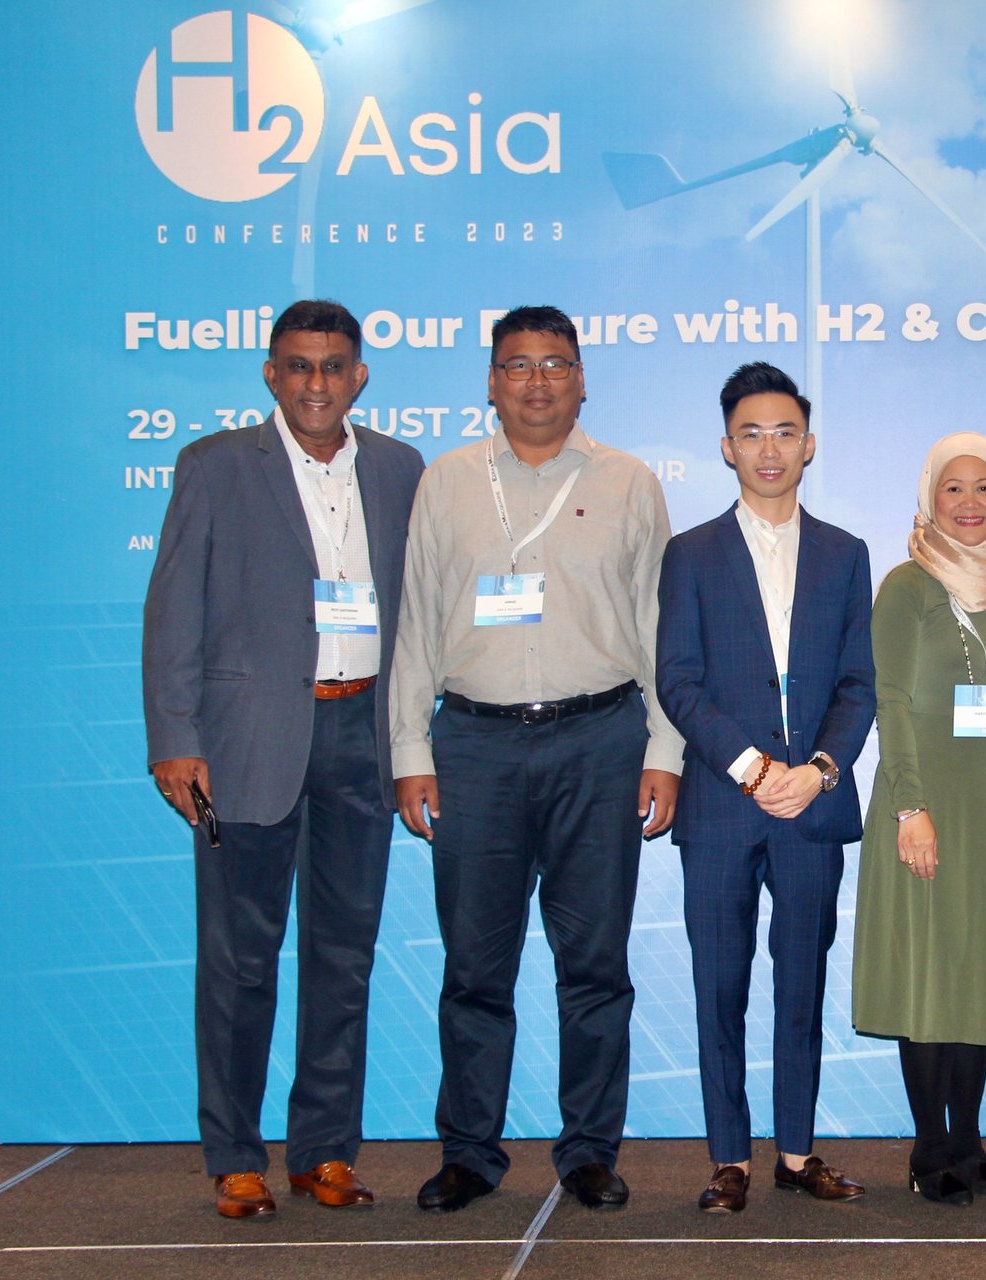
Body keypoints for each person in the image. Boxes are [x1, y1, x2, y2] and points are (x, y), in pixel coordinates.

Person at [390, 305, 684, 1213]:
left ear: (582, 378)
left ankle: (589, 1148)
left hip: (600, 740)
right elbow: (412, 622)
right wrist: (410, 747)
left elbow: (661, 628)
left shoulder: (630, 482)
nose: (537, 382)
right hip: (473, 743)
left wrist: (666, 748)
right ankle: (470, 1152)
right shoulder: (445, 482)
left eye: (556, 364)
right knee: (475, 967)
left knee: (593, 963)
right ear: (490, 380)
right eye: (518, 365)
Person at [143, 299, 425, 1219]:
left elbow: (420, 613)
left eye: (333, 366)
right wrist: (175, 739)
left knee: (343, 958)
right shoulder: (216, 467)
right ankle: (234, 1154)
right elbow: (173, 608)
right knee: (239, 962)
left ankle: (323, 1152)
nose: (316, 383)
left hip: (361, 737)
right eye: (299, 366)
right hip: (246, 744)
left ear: (359, 376)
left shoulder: (398, 468)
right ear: (272, 373)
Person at [656, 362, 876, 1213]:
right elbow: (677, 680)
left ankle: (794, 1153)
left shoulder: (845, 554)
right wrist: (752, 769)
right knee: (719, 984)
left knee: (802, 986)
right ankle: (728, 1159)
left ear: (809, 444)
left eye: (785, 431)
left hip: (811, 808)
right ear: (726, 447)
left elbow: (859, 683)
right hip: (720, 803)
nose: (769, 448)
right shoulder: (692, 554)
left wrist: (817, 772)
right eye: (751, 433)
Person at [851, 433, 986, 1207]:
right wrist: (911, 807)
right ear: (928, 498)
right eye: (953, 489)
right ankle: (929, 1144)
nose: (970, 504)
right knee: (929, 971)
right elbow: (893, 702)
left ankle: (969, 1138)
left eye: (985, 488)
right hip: (928, 805)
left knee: (978, 968)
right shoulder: (907, 585)